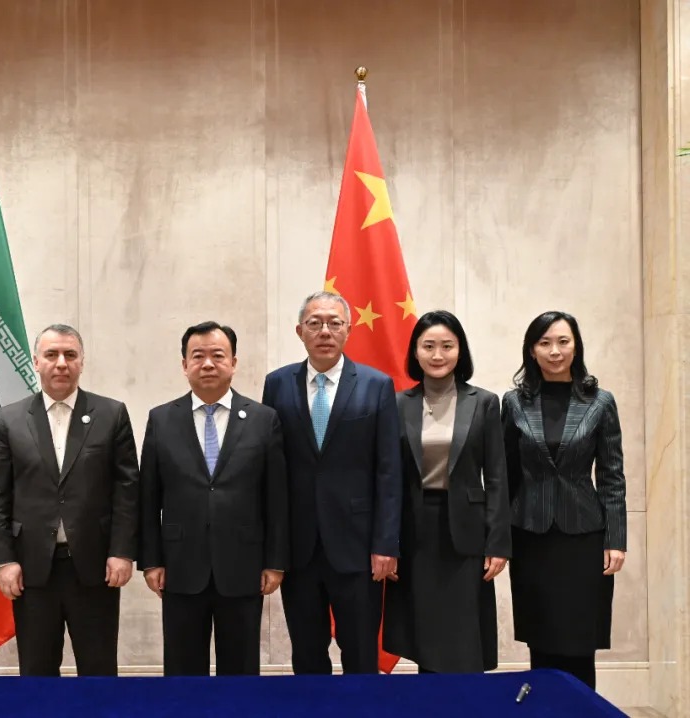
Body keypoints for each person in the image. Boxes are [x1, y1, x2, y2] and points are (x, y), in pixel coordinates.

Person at [0, 324, 139, 676]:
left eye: (70, 355)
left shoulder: (111, 414)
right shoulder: (9, 418)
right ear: (36, 362)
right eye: (51, 354)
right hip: (32, 570)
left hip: (96, 568)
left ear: (82, 361)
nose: (61, 363)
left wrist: (122, 551)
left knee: (99, 671)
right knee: (37, 672)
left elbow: (127, 490)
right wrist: (3, 560)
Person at [261, 290, 402, 674]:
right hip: (299, 545)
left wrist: (386, 543)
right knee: (307, 651)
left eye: (334, 323)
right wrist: (272, 548)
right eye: (315, 323)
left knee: (360, 650)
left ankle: (361, 705)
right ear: (300, 331)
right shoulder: (277, 384)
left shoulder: (376, 384)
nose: (325, 331)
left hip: (358, 544)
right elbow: (270, 468)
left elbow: (389, 470)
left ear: (348, 330)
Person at [139, 321, 288, 676]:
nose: (208, 364)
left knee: (240, 672)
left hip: (244, 566)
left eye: (218, 355)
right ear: (184, 364)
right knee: (182, 672)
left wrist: (275, 561)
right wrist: (151, 561)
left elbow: (276, 498)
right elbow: (148, 497)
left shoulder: (263, 419)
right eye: (198, 356)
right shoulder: (161, 419)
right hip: (179, 567)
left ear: (233, 363)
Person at [502, 310, 627, 689]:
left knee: (579, 639)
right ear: (532, 350)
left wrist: (616, 539)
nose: (554, 351)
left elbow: (612, 475)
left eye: (563, 341)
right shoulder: (514, 402)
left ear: (576, 346)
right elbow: (505, 476)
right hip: (530, 534)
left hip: (584, 536)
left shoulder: (600, 402)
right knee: (540, 638)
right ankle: (543, 709)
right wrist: (498, 539)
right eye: (545, 343)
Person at [383, 310, 511, 673]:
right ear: (415, 352)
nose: (437, 355)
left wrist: (498, 543)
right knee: (424, 633)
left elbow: (497, 476)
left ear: (460, 350)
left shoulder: (483, 402)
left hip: (466, 531)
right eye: (428, 346)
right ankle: (429, 700)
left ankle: (465, 701)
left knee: (463, 633)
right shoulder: (398, 403)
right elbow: (388, 478)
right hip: (415, 532)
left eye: (447, 346)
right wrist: (387, 541)